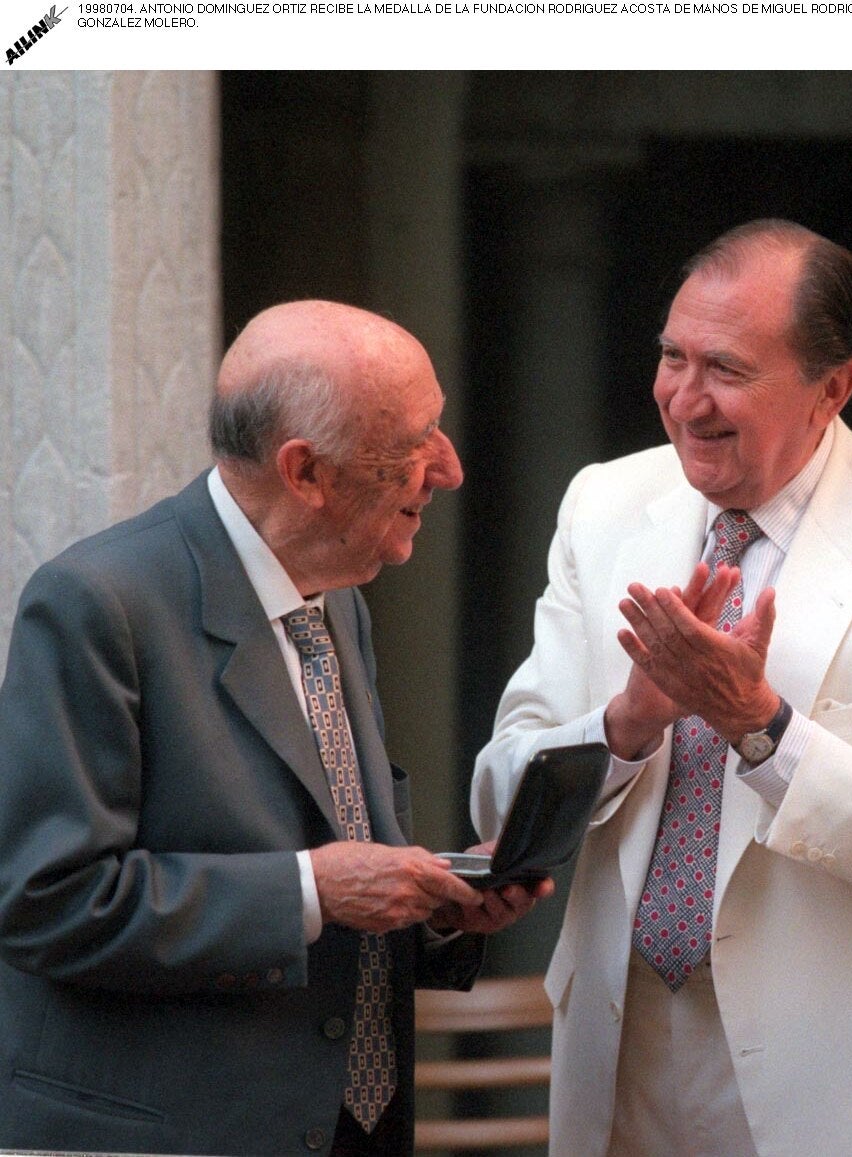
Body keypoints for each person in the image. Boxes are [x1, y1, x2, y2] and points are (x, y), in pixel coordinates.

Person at [472, 219, 852, 1156]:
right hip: (622, 1067)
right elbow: (499, 798)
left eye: (726, 369)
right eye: (671, 357)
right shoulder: (603, 503)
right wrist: (629, 720)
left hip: (850, 1088)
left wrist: (760, 726)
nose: (686, 400)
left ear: (834, 387)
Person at [0, 300, 550, 1157]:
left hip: (349, 1129)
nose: (448, 466)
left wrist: (439, 910)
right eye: (414, 439)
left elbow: (339, 864)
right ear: (305, 472)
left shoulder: (340, 601)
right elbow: (47, 902)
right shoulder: (97, 603)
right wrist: (309, 891)